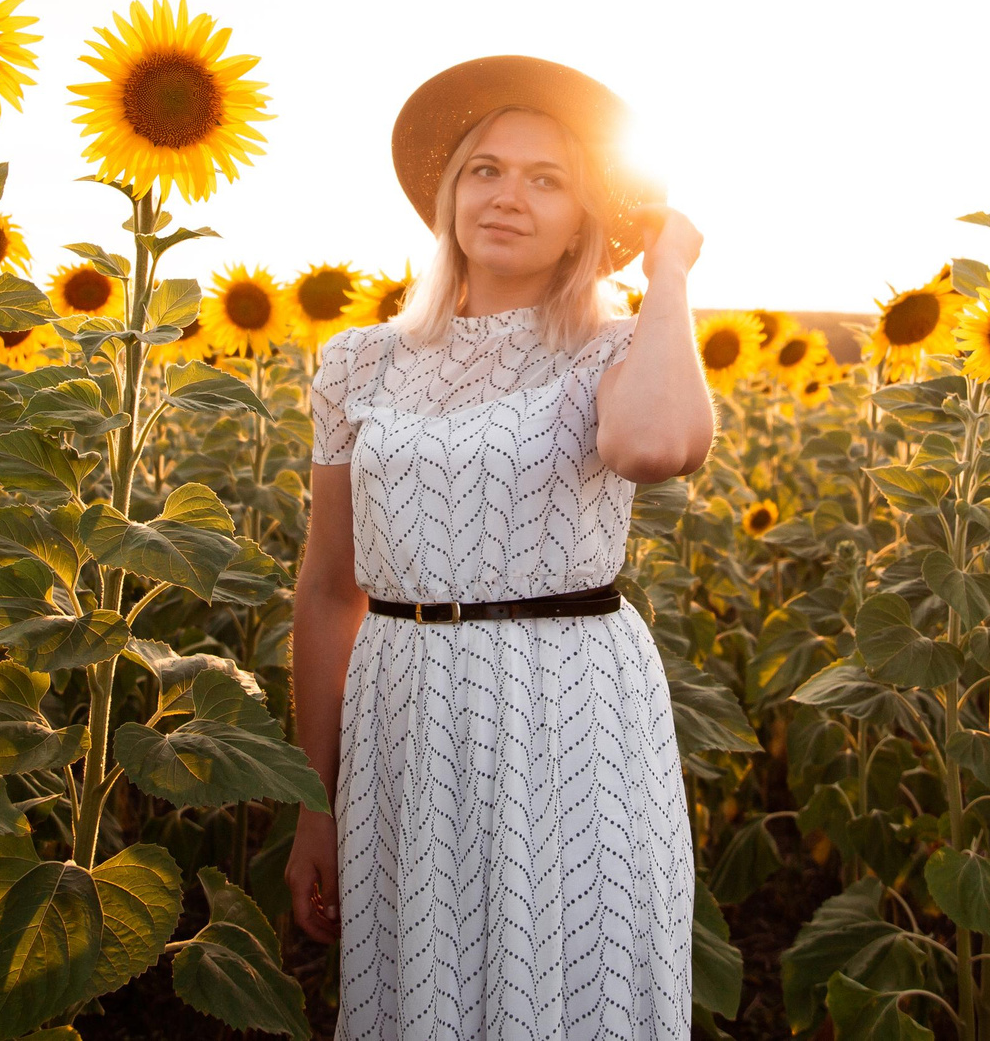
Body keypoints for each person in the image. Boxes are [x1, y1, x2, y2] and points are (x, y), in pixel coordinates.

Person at [286, 54, 717, 1041]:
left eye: (546, 178)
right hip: (406, 717)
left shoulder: (612, 351)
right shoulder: (360, 361)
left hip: (569, 710)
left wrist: (669, 269)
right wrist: (315, 803)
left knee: (572, 983)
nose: (507, 196)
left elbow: (654, 447)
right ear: (447, 195)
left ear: (588, 219)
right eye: (485, 169)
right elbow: (325, 592)